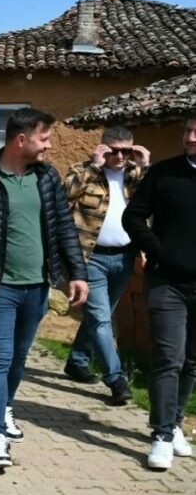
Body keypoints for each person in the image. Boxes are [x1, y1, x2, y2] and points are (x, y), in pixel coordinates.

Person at [0, 107, 88, 469]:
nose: (49, 146)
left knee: (19, 357)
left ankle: (5, 408)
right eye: (44, 138)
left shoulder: (47, 177)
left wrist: (77, 272)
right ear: (21, 140)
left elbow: (63, 226)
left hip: (37, 285)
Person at [122, 116, 196, 470]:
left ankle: (177, 422)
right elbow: (133, 216)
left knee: (192, 361)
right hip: (167, 282)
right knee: (169, 357)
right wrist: (157, 249)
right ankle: (162, 434)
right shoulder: (164, 174)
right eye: (187, 130)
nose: (191, 137)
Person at [64, 126, 150, 405]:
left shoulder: (136, 176)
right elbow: (65, 194)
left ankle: (77, 360)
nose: (121, 156)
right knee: (101, 319)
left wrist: (146, 165)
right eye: (115, 150)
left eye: (127, 151)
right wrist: (94, 165)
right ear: (104, 148)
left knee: (100, 315)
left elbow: (155, 198)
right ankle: (116, 379)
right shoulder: (83, 170)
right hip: (91, 258)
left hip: (124, 257)